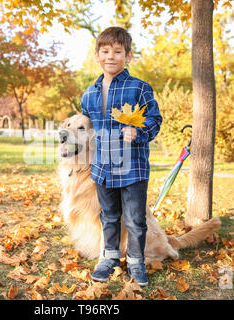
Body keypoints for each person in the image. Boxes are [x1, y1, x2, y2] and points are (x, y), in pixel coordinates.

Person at [80, 26, 162, 286]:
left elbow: (155, 119)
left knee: (136, 220)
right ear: (97, 55)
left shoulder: (139, 88)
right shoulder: (89, 94)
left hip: (132, 168)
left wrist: (138, 131)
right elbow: (86, 128)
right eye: (105, 51)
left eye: (117, 51)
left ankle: (136, 262)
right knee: (109, 216)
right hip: (102, 168)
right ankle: (110, 258)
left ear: (128, 56)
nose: (111, 56)